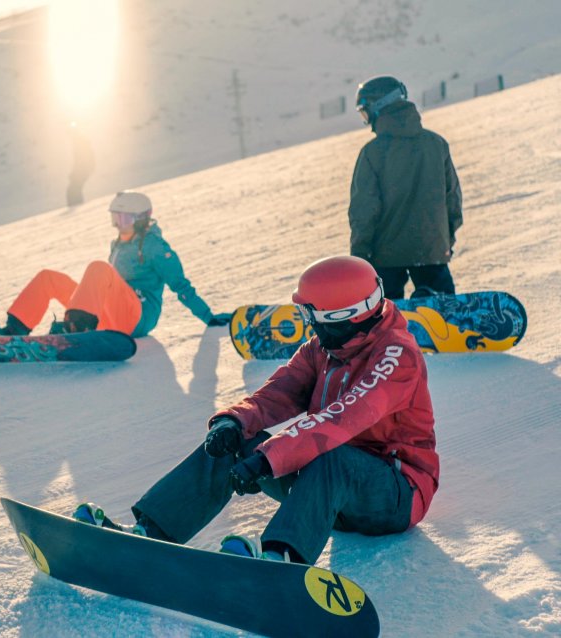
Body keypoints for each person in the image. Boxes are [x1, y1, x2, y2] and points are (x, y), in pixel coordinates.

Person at [75, 256, 439, 565]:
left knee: (334, 457)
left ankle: (280, 560)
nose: (308, 323)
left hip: (394, 494)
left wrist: (268, 459)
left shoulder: (396, 355)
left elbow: (341, 419)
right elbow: (277, 393)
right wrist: (234, 422)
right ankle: (152, 534)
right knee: (238, 442)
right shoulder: (324, 348)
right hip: (326, 495)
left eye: (313, 314)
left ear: (346, 314)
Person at [0, 191, 231, 337]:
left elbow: (180, 285)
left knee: (98, 268)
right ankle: (15, 329)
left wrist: (208, 317)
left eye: (125, 219)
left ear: (142, 219)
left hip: (138, 316)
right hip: (113, 312)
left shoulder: (155, 247)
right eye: (116, 219)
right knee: (48, 277)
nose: (119, 225)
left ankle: (77, 329)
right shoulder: (119, 244)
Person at [348, 75, 463, 300]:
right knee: (441, 302)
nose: (367, 120)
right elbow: (452, 199)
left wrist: (360, 254)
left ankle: (387, 326)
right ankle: (433, 301)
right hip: (432, 249)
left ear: (378, 107)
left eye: (366, 112)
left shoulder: (373, 152)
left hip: (385, 255)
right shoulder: (436, 144)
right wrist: (445, 240)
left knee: (383, 309)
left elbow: (364, 210)